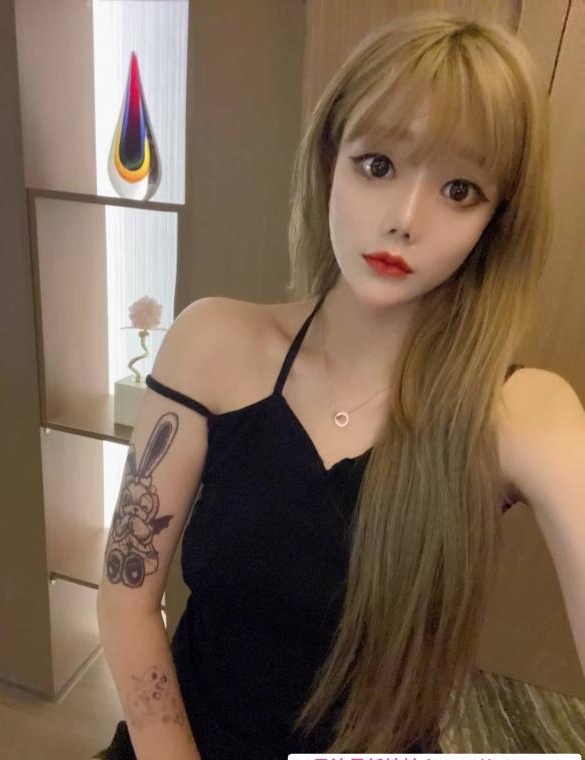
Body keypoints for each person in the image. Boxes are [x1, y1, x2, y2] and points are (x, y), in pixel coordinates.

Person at [94, 8, 582, 759]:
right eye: (377, 165)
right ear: (329, 162)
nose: (405, 220)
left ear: (497, 221)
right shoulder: (212, 345)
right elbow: (128, 593)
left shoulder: (520, 411)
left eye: (460, 189)